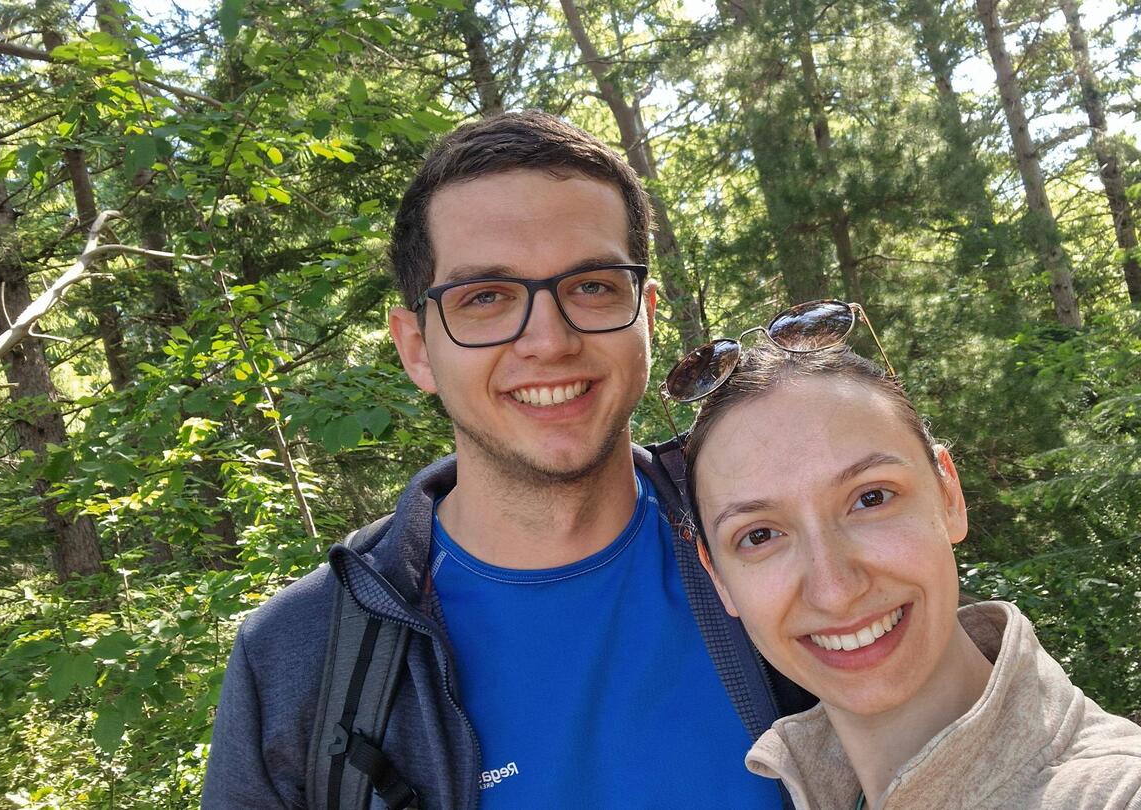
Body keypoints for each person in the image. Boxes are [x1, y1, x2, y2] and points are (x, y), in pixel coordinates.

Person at [202, 112, 810, 809]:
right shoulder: (300, 658)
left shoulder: (785, 554)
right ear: (416, 348)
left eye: (592, 285)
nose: (549, 341)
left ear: (645, 315)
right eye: (486, 298)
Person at [677, 319, 1141, 810]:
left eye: (871, 499)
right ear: (718, 576)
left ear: (949, 495)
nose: (835, 589)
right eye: (760, 535)